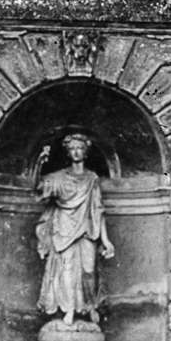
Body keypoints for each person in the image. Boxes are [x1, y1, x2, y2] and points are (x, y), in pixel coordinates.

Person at [34, 132, 114, 325]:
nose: (76, 152)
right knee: (67, 271)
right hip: (64, 229)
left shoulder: (92, 178)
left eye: (80, 148)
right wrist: (39, 164)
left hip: (87, 229)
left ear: (85, 152)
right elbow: (39, 188)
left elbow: (98, 209)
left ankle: (90, 306)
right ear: (68, 153)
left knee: (89, 270)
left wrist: (105, 240)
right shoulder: (58, 178)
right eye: (72, 149)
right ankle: (69, 309)